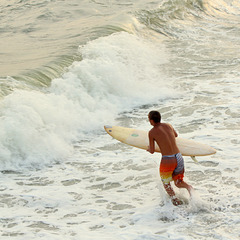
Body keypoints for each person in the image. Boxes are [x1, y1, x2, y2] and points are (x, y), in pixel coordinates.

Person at [147, 110, 193, 206]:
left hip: (168, 160)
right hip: (178, 156)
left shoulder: (151, 132)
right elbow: (176, 135)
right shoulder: (168, 125)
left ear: (151, 121)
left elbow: (151, 150)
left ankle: (176, 202)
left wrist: (148, 148)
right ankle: (189, 188)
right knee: (178, 182)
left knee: (166, 183)